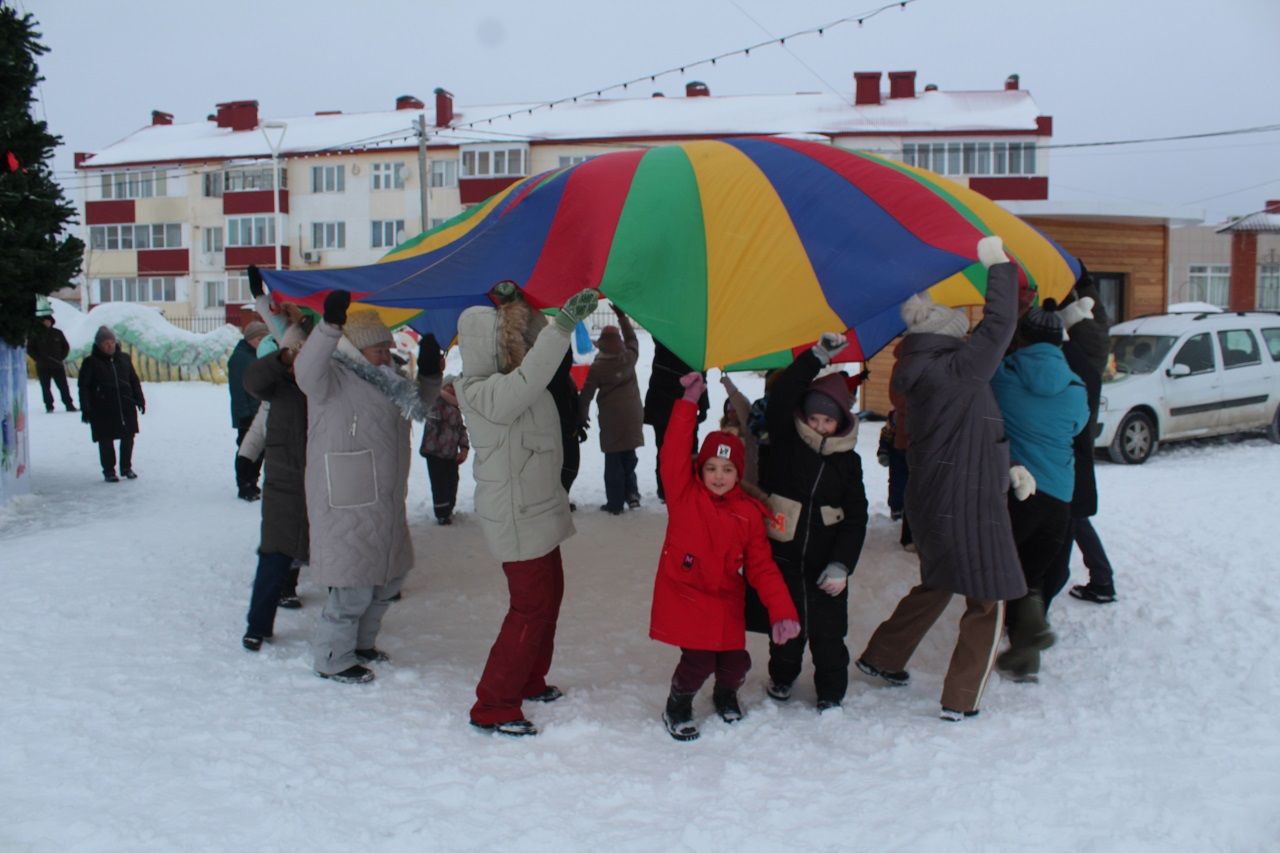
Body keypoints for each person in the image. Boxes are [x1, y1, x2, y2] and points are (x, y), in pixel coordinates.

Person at [855, 237, 1027, 721]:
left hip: (941, 494)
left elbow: (967, 430)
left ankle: (882, 657)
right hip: (968, 500)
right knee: (989, 600)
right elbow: (1001, 323)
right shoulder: (956, 368)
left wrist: (1008, 466)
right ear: (952, 336)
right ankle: (961, 699)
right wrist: (999, 268)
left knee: (940, 581)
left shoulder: (924, 369)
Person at [454, 282, 599, 736]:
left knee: (548, 596)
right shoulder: (482, 391)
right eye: (506, 340)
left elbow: (535, 352)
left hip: (536, 505)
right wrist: (564, 325)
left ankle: (531, 679)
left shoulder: (510, 380)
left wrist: (522, 309)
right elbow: (533, 371)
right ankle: (493, 705)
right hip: (516, 512)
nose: (516, 347)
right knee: (530, 606)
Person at [295, 291, 441, 684]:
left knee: (388, 576)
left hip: (385, 496)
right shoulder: (331, 378)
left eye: (387, 346)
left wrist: (429, 373)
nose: (386, 353)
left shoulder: (389, 378)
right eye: (378, 348)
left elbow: (417, 408)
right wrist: (328, 327)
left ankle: (360, 644)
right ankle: (331, 657)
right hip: (347, 498)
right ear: (357, 348)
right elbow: (304, 370)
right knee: (352, 585)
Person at [652, 372, 800, 741]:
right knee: (699, 660)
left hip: (725, 598)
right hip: (686, 593)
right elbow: (672, 452)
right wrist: (688, 402)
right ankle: (678, 703)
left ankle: (725, 693)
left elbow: (762, 567)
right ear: (700, 469)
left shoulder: (748, 513)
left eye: (728, 469)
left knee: (735, 664)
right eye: (711, 468)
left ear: (739, 472)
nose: (719, 476)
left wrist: (782, 610)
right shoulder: (685, 496)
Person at [749, 332, 869, 712]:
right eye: (814, 417)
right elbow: (784, 395)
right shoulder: (787, 439)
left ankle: (831, 690)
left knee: (829, 635)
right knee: (784, 628)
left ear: (841, 422)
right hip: (783, 558)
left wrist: (842, 565)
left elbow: (857, 517)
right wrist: (815, 357)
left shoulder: (848, 462)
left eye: (827, 421)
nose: (819, 426)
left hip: (824, 566)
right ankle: (782, 677)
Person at [990, 297, 1089, 682]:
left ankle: (1014, 642)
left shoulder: (1003, 377)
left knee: (1004, 571)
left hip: (1019, 491)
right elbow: (1078, 428)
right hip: (1060, 496)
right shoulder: (1075, 386)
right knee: (1032, 576)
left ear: (1023, 339)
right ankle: (1027, 650)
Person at [240, 321, 311, 651]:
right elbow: (252, 380)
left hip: (323, 484)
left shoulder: (325, 386)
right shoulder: (277, 387)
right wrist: (282, 359)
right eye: (294, 357)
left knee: (332, 554)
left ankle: (343, 634)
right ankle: (258, 624)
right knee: (274, 556)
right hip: (283, 485)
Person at [578, 305, 644, 514]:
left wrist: (581, 417)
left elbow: (587, 394)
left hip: (611, 419)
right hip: (633, 415)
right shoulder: (630, 357)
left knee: (613, 461)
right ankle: (632, 494)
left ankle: (615, 503)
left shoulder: (598, 367)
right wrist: (622, 317)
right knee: (629, 456)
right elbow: (632, 338)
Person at [77, 326, 145, 483]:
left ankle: (126, 467)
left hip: (125, 404)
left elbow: (133, 380)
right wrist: (86, 407)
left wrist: (139, 399)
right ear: (99, 344)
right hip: (102, 408)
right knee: (105, 439)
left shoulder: (124, 359)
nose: (110, 346)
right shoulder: (91, 363)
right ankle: (109, 470)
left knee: (128, 437)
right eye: (106, 343)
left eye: (112, 342)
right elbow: (84, 387)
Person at [643, 340, 709, 502]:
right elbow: (701, 377)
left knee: (666, 449)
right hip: (680, 405)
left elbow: (701, 377)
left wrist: (704, 405)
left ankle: (667, 489)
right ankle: (678, 487)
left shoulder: (667, 342)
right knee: (684, 448)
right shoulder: (693, 347)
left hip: (667, 405)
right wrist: (704, 405)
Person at [228, 321, 269, 501]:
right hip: (247, 412)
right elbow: (237, 389)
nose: (263, 342)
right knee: (246, 449)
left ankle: (253, 481)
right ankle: (243, 485)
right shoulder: (240, 357)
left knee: (260, 449)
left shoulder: (256, 354)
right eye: (260, 338)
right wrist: (244, 414)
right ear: (251, 339)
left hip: (258, 410)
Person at [420, 379, 470, 525]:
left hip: (450, 454)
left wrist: (464, 448)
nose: (452, 390)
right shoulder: (437, 401)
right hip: (435, 452)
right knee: (439, 484)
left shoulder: (456, 408)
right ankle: (442, 513)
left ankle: (449, 508)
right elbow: (432, 419)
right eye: (449, 386)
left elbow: (461, 429)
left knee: (452, 481)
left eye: (454, 388)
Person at [27, 312, 76, 413]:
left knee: (63, 386)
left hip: (57, 365)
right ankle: (49, 406)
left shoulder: (58, 333)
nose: (47, 323)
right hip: (43, 366)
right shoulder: (35, 334)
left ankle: (69, 404)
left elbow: (65, 347)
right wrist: (38, 359)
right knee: (45, 387)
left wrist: (60, 357)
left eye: (49, 321)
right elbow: (30, 349)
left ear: (51, 322)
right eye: (45, 321)